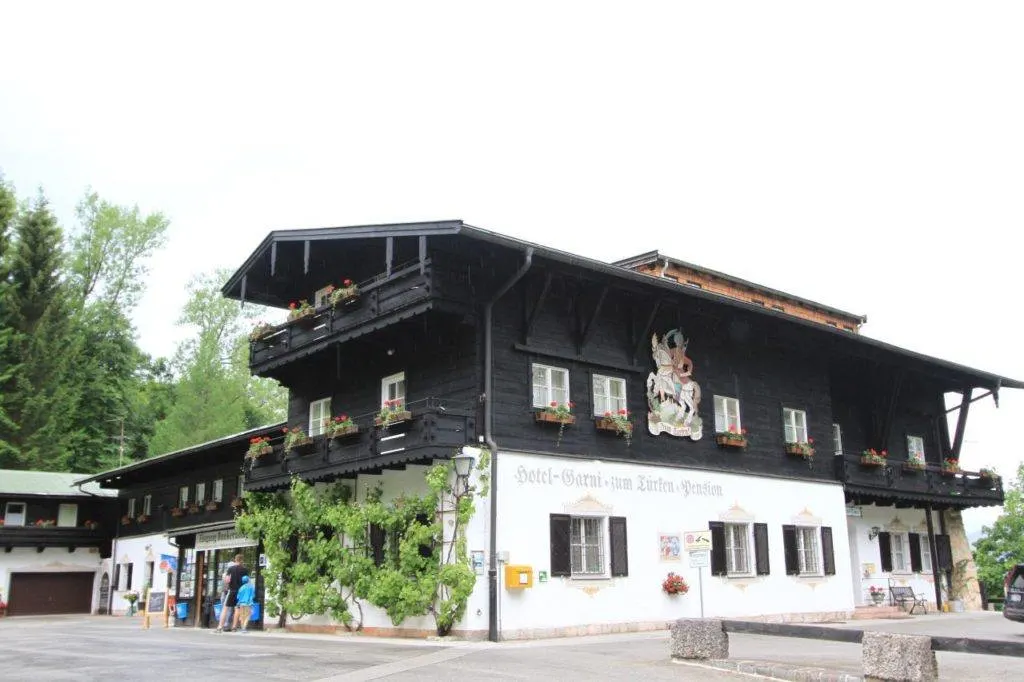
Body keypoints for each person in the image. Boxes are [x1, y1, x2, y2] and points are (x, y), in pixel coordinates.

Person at [216, 554, 248, 632]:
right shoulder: (245, 570)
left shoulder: (230, 569)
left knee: (225, 608)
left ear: (235, 560)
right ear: (242, 560)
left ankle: (220, 627)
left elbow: (227, 580)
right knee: (237, 609)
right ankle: (234, 627)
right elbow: (246, 581)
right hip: (240, 592)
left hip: (231, 591)